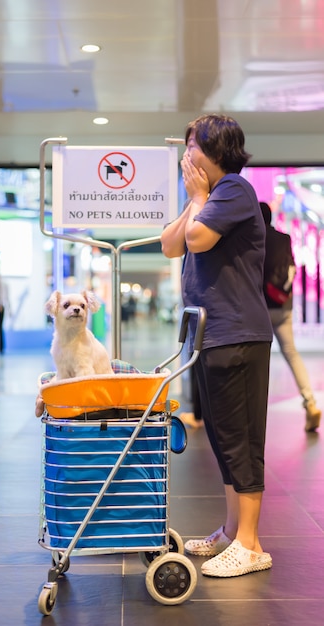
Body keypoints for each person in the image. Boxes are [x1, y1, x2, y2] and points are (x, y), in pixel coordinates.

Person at [161, 113, 273, 578]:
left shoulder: (233, 191)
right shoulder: (208, 197)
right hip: (213, 336)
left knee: (242, 441)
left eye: (195, 147)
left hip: (238, 334)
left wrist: (197, 198)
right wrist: (193, 201)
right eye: (187, 146)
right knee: (226, 441)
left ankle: (250, 544)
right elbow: (172, 245)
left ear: (218, 152)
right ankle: (231, 531)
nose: (188, 155)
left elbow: (198, 240)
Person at [260, 201, 321, 432]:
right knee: (292, 354)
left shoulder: (253, 239)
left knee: (258, 361)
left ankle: (254, 415)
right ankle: (310, 402)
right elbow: (292, 267)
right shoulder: (284, 238)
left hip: (261, 308)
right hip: (284, 306)